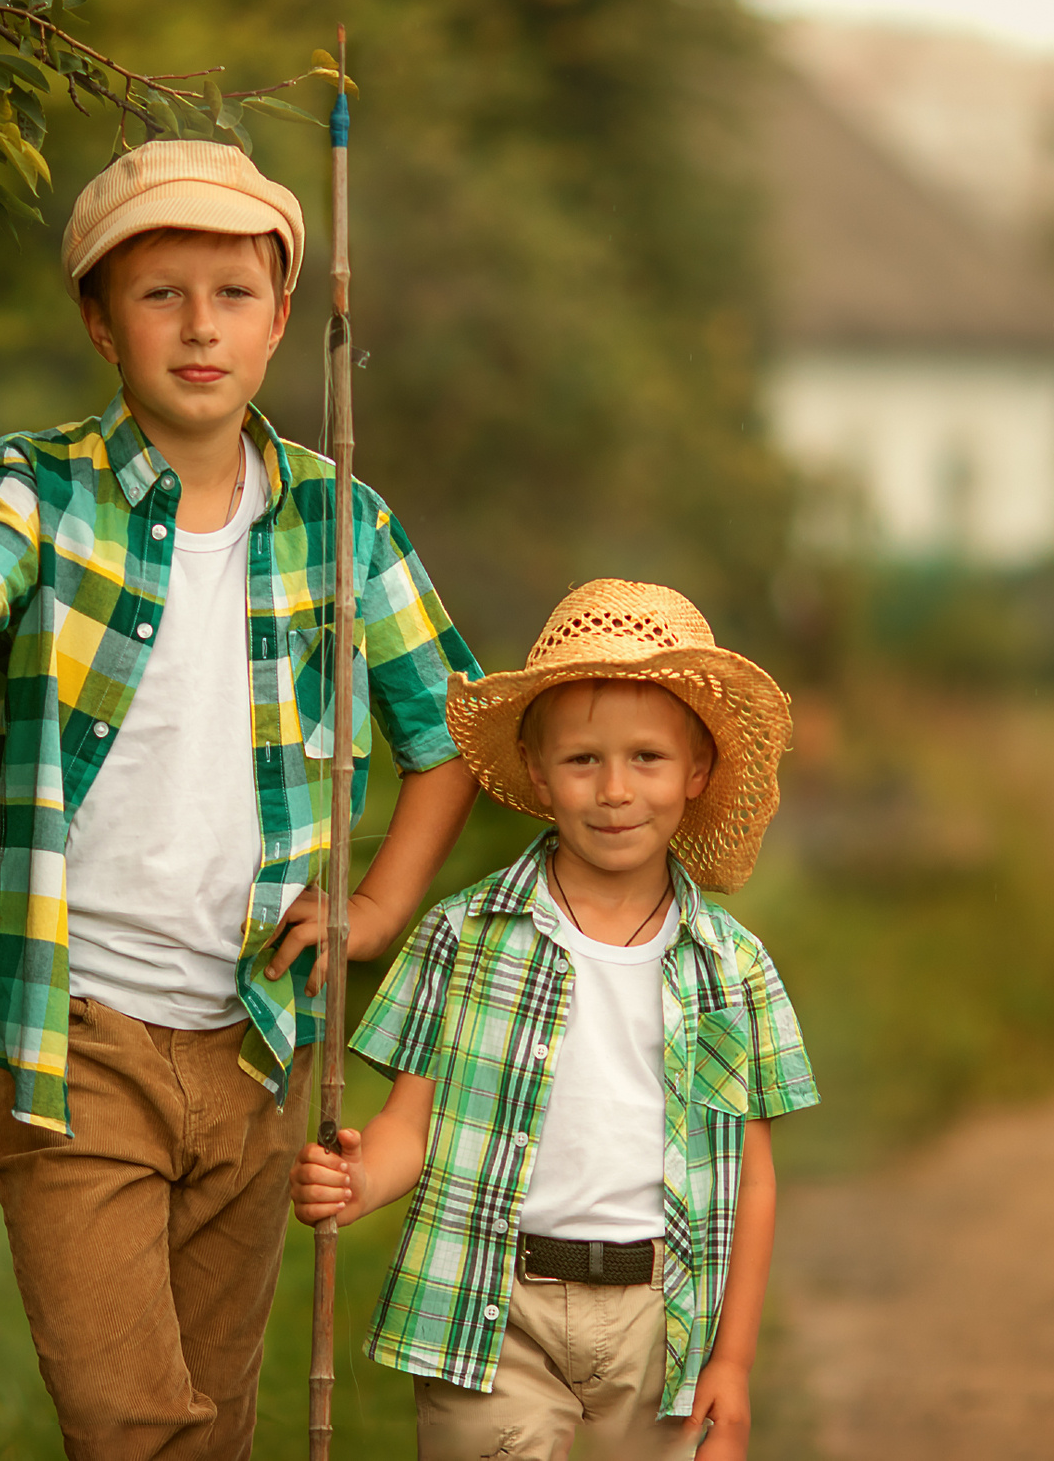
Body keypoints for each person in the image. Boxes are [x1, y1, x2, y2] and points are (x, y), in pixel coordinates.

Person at [0, 139, 482, 1460]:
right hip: (76, 1037)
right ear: (100, 320)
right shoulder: (41, 486)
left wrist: (378, 906)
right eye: (161, 293)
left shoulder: (343, 523)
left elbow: (447, 734)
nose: (199, 326)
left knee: (210, 1425)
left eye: (232, 294)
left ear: (280, 319)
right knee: (133, 1424)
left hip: (259, 1041)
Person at [290, 580, 816, 1460]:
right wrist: (360, 1179)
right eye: (582, 760)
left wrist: (733, 1362)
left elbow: (751, 1181)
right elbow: (409, 1125)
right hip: (493, 1312)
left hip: (663, 1317)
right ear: (537, 770)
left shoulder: (732, 968)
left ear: (696, 770)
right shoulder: (464, 936)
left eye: (647, 757)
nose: (614, 789)